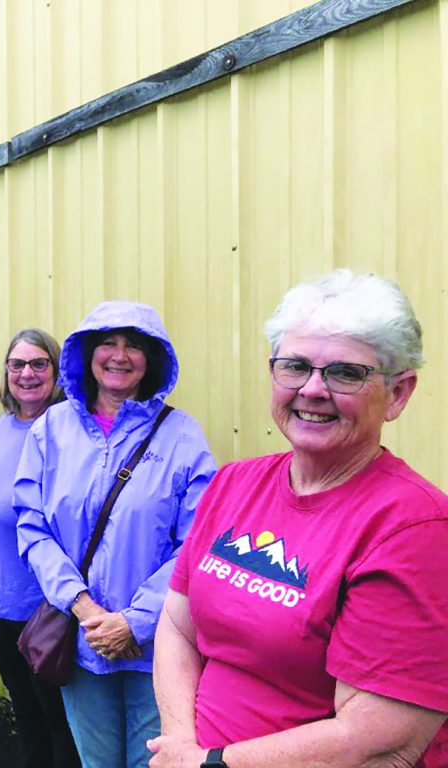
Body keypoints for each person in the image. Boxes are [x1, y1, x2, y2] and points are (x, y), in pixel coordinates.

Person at [149, 270, 448, 768]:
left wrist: (210, 764)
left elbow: (377, 737)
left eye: (345, 373)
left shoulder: (414, 527)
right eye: (295, 366)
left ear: (398, 394)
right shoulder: (233, 484)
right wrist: (180, 744)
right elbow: (177, 627)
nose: (312, 389)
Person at [13, 302, 216, 768]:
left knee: (155, 763)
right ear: (86, 353)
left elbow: (199, 541)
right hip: (83, 640)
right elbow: (32, 525)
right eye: (107, 342)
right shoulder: (51, 429)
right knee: (98, 762)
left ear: (153, 359)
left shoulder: (182, 436)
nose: (119, 355)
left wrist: (134, 621)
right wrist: (84, 609)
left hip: (160, 646)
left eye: (134, 345)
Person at [0, 328, 80, 768]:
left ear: (56, 371)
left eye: (38, 364)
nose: (26, 374)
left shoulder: (64, 430)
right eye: (17, 364)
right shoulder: (4, 426)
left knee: (57, 720)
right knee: (26, 712)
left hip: (43, 606)